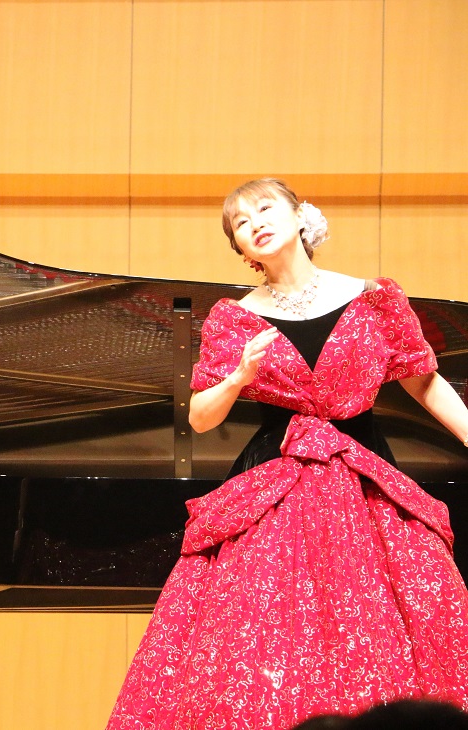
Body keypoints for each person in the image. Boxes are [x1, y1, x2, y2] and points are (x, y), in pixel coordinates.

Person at [106, 179, 468, 729]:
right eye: (240, 222)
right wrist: (238, 378)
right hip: (274, 479)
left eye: (265, 208)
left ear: (301, 216)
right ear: (240, 247)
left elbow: (423, 380)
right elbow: (200, 417)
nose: (255, 223)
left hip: (365, 472)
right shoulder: (232, 318)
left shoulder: (373, 298)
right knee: (257, 633)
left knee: (409, 610)